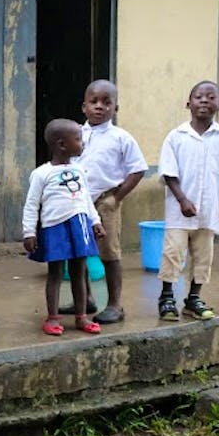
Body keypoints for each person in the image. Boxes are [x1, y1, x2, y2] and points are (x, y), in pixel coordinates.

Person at [157, 81, 219, 321]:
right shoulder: (176, 137)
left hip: (210, 210)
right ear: (189, 103)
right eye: (199, 97)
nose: (204, 101)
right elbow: (168, 172)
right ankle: (167, 297)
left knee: (204, 255)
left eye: (210, 97)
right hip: (179, 211)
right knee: (173, 252)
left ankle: (194, 298)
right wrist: (182, 199)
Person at [63, 79, 148, 324]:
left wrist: (117, 198)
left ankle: (115, 305)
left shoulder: (121, 138)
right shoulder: (76, 134)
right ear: (84, 106)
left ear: (115, 108)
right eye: (94, 101)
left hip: (105, 202)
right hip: (77, 202)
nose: (99, 107)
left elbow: (138, 169)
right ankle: (85, 299)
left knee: (109, 254)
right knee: (78, 253)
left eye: (106, 102)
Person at [23, 119, 107, 336]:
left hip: (79, 225)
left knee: (79, 271)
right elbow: (32, 204)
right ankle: (52, 317)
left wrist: (95, 222)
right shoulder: (41, 174)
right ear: (62, 145)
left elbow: (86, 199)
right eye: (78, 139)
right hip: (54, 228)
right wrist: (29, 232)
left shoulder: (79, 170)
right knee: (55, 273)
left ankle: (81, 316)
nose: (82, 144)